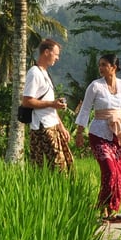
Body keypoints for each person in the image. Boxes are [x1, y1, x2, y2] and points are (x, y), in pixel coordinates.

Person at [75, 53, 121, 223]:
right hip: (99, 133)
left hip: (118, 135)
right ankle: (102, 209)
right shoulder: (95, 86)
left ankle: (112, 211)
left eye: (104, 65)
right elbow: (85, 109)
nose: (100, 68)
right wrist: (79, 132)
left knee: (118, 173)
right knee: (109, 170)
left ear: (114, 67)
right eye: (100, 65)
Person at [21, 38, 73, 173]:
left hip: (52, 125)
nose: (57, 58)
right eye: (56, 54)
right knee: (54, 167)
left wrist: (61, 127)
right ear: (46, 52)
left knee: (65, 165)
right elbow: (27, 101)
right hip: (42, 127)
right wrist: (52, 103)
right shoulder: (34, 73)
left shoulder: (44, 73)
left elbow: (51, 106)